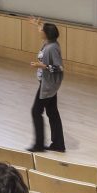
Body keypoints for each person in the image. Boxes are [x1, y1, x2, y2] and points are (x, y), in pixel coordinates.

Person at [31, 21, 66, 152]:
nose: (40, 32)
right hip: (47, 84)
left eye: (42, 30)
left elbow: (59, 68)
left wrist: (41, 66)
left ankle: (39, 145)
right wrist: (37, 24)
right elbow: (43, 30)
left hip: (48, 85)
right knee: (52, 113)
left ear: (46, 34)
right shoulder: (49, 42)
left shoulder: (52, 48)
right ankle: (58, 144)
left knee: (36, 111)